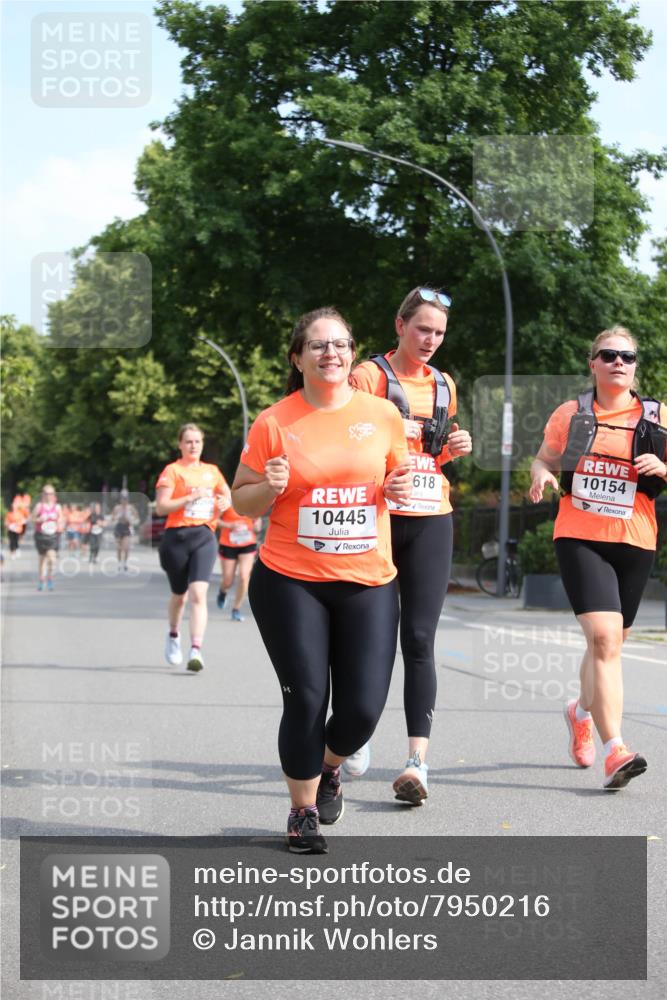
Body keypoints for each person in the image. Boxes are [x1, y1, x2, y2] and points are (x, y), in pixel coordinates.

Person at [232, 307, 412, 854]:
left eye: (339, 344)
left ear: (352, 352)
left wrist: (397, 490)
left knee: (361, 709)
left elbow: (397, 477)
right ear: (297, 357)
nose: (329, 353)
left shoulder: (383, 415)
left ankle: (331, 766)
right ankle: (302, 812)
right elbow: (242, 501)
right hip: (291, 580)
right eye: (317, 345)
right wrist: (270, 485)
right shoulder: (274, 421)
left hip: (369, 579)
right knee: (307, 698)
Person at [529, 325, 666, 790]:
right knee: (605, 640)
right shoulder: (571, 413)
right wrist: (540, 476)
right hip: (580, 535)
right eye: (608, 355)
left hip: (636, 539)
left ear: (635, 366)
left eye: (627, 357)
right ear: (593, 363)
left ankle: (580, 711)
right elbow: (544, 459)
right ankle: (616, 750)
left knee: (609, 644)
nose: (618, 363)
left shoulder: (657, 415)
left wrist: (663, 467)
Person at [350, 287, 472, 805]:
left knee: (419, 639)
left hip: (430, 518)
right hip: (375, 518)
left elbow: (434, 451)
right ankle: (352, 737)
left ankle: (417, 762)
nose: (430, 340)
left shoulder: (445, 384)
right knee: (366, 639)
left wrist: (453, 449)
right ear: (399, 326)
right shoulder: (368, 377)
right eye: (423, 329)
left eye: (439, 333)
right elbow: (347, 443)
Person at [156, 424, 231, 671]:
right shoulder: (173, 471)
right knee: (180, 596)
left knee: (198, 594)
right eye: (188, 441)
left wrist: (223, 500)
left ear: (202, 444)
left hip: (204, 536)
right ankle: (174, 635)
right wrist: (190, 497)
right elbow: (161, 507)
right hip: (176, 537)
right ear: (180, 445)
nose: (193, 446)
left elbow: (228, 496)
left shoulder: (212, 471)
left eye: (197, 441)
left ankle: (196, 650)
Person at [216, 507, 262, 621]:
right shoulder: (226, 502)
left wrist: (257, 526)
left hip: (247, 543)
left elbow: (258, 521)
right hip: (228, 544)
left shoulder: (251, 502)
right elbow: (214, 520)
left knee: (244, 576)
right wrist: (229, 526)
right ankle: (223, 592)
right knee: (227, 581)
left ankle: (236, 609)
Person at [32, 485, 64, 590]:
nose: (48, 496)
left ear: (54, 495)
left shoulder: (57, 507)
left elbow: (62, 519)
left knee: (52, 558)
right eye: (46, 493)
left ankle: (49, 578)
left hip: (53, 535)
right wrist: (39, 519)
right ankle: (41, 579)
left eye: (51, 493)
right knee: (42, 558)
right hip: (41, 535)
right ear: (43, 494)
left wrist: (59, 522)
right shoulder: (39, 506)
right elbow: (32, 519)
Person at [111, 492, 139, 571]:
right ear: (120, 500)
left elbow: (136, 517)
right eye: (123, 499)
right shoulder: (117, 508)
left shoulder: (131, 508)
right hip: (119, 527)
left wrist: (131, 520)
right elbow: (112, 518)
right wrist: (116, 518)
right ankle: (119, 563)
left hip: (127, 527)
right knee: (119, 547)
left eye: (125, 499)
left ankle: (125, 563)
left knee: (126, 547)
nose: (124, 501)